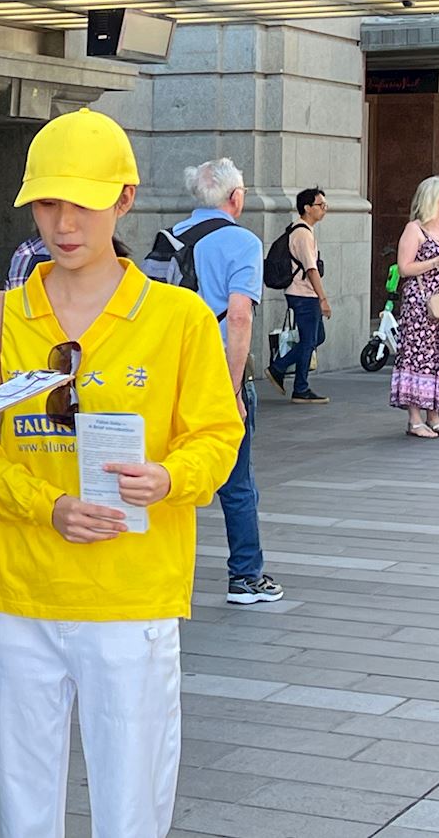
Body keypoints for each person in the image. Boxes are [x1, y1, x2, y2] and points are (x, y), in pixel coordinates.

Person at [0, 108, 242, 838]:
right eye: (48, 203)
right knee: (20, 808)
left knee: (132, 807)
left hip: (133, 599)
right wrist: (48, 506)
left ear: (125, 199)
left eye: (83, 201)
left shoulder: (179, 319)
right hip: (16, 597)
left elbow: (217, 434)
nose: (64, 223)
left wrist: (169, 477)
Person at [173, 159, 283, 605]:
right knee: (237, 481)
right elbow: (239, 316)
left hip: (171, 372)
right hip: (217, 370)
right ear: (236, 197)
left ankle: (165, 571)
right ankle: (246, 576)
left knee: (170, 474)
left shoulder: (170, 238)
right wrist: (233, 390)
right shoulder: (242, 241)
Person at [390, 175, 439, 437]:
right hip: (421, 303)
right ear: (432, 199)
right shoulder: (414, 229)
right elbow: (404, 268)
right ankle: (415, 419)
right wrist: (436, 262)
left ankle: (434, 417)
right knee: (418, 356)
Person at [266, 186, 331, 404]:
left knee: (316, 338)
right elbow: (311, 269)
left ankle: (280, 368)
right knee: (309, 340)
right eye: (320, 205)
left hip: (302, 294)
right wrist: (323, 298)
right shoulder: (302, 233)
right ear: (307, 208)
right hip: (303, 294)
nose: (324, 209)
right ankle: (299, 386)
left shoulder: (303, 230)